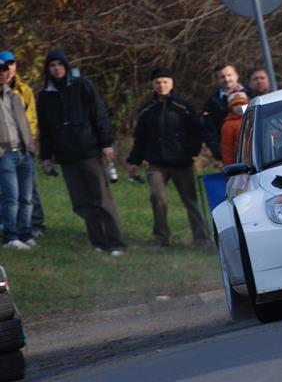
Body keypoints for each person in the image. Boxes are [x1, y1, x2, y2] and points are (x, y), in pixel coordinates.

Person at [37, 49, 126, 255]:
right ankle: (98, 242)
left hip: (90, 152)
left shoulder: (82, 86)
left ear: (66, 66)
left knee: (102, 199)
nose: (57, 68)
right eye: (52, 65)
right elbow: (46, 129)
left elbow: (99, 113)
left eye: (60, 64)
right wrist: (46, 156)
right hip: (66, 157)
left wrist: (106, 142)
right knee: (81, 202)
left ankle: (116, 242)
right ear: (48, 69)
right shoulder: (45, 96)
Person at [127, 68, 209, 249]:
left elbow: (197, 131)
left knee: (190, 201)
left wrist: (192, 152)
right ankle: (161, 238)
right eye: (157, 82)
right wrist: (134, 161)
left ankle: (201, 238)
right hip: (156, 163)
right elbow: (140, 137)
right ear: (152, 85)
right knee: (157, 198)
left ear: (171, 84)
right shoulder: (146, 109)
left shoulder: (184, 106)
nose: (161, 85)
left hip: (182, 162)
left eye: (165, 81)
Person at [0, 50, 46, 238]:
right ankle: (10, 232)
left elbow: (30, 120)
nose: (7, 70)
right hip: (5, 150)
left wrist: (30, 145)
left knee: (27, 195)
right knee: (10, 195)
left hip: (24, 150)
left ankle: (30, 229)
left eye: (10, 65)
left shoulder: (21, 91)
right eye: (3, 67)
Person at [202, 63, 250, 165]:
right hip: (232, 155)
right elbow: (210, 131)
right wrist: (220, 153)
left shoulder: (251, 92)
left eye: (229, 75)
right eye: (222, 77)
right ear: (217, 80)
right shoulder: (212, 103)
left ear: (237, 75)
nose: (227, 79)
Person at [220, 91, 250, 166]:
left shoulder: (254, 119)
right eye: (235, 105)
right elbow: (227, 149)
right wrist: (230, 167)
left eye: (242, 103)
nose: (239, 107)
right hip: (242, 163)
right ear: (231, 108)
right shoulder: (228, 125)